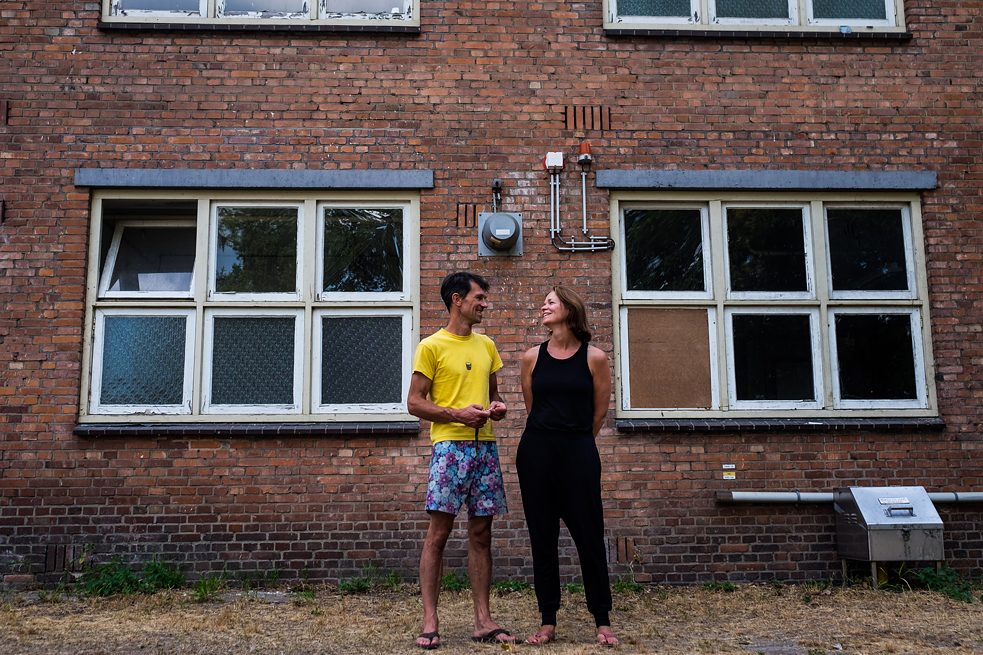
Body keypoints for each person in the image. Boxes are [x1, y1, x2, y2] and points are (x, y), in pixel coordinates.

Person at [406, 271, 516, 650]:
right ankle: (430, 621)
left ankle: (483, 621)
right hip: (449, 449)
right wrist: (457, 415)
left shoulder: (487, 345)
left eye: (484, 298)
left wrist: (497, 409)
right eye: (479, 298)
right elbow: (414, 403)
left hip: (485, 448)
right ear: (457, 299)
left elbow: (494, 395)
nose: (484, 304)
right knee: (438, 535)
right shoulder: (431, 346)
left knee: (482, 534)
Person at [516, 285, 620, 647]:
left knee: (589, 535)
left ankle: (602, 621)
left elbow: (599, 413)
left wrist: (574, 440)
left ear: (569, 310)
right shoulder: (531, 357)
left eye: (552, 300)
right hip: (536, 453)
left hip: (578, 451)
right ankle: (547, 621)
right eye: (543, 300)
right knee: (541, 537)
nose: (544, 304)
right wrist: (551, 437)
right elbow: (533, 408)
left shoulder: (595, 358)